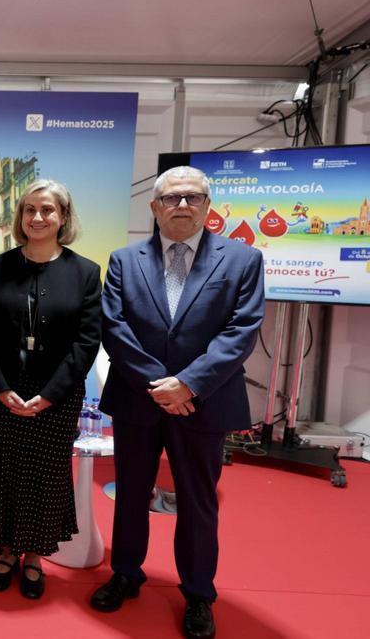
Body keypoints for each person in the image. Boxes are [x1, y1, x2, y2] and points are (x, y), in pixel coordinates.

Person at [90, 166, 264, 639]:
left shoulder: (244, 259)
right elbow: (115, 327)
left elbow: (241, 331)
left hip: (204, 401)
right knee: (130, 493)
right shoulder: (125, 260)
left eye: (192, 197)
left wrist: (188, 384)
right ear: (154, 207)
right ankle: (125, 573)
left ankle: (198, 593)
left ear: (208, 207)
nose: (181, 205)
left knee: (198, 501)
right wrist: (159, 385)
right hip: (138, 400)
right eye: (171, 198)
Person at [0, 179, 102, 600]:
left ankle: (34, 556)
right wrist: (0, 387)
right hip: (4, 390)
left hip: (56, 394)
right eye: (29, 210)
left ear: (63, 217)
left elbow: (87, 341)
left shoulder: (84, 272)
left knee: (44, 476)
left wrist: (52, 393)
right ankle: (5, 551)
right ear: (20, 218)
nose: (38, 217)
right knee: (3, 472)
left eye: (47, 210)